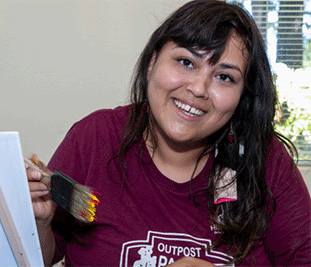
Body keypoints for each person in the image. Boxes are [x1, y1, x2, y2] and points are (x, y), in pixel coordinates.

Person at [26, 0, 311, 266]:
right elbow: (41, 258)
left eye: (224, 77)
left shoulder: (266, 161)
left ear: (242, 96)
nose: (198, 89)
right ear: (152, 62)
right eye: (186, 62)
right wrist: (39, 225)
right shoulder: (95, 137)